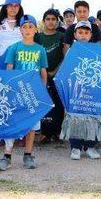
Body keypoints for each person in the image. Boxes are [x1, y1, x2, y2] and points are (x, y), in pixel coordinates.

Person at [0, 14, 48, 171]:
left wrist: (42, 91)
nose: (27, 29)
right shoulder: (14, 48)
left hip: (33, 92)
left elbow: (43, 72)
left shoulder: (40, 50)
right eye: (24, 27)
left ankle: (28, 154)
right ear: (20, 30)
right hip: (17, 91)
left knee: (31, 124)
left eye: (30, 26)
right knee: (12, 122)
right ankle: (7, 156)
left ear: (36, 30)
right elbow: (9, 70)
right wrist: (8, 89)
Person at [67, 21, 101, 160]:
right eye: (80, 32)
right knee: (76, 116)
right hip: (76, 89)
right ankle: (75, 147)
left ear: (91, 35)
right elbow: (68, 69)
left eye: (86, 33)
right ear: (75, 34)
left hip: (92, 89)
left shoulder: (97, 50)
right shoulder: (71, 50)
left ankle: (90, 146)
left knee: (92, 117)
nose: (83, 35)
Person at [35, 9, 65, 144]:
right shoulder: (38, 37)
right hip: (41, 75)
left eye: (53, 19)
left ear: (57, 21)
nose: (51, 21)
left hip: (57, 74)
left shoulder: (61, 36)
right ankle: (44, 132)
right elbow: (34, 55)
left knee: (58, 103)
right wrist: (43, 71)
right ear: (43, 21)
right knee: (43, 102)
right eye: (48, 19)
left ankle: (57, 131)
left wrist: (55, 71)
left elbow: (65, 56)